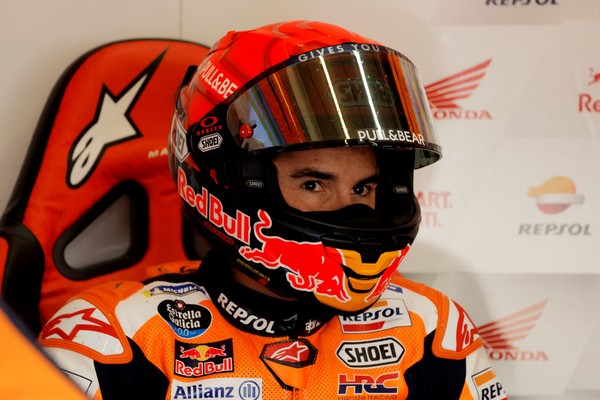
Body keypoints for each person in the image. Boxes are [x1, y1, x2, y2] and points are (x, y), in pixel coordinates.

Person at [38, 20, 507, 399]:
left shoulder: (430, 328)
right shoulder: (112, 337)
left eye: (365, 187)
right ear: (231, 184)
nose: (352, 210)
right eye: (312, 182)